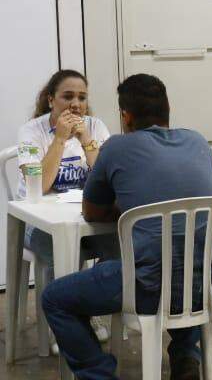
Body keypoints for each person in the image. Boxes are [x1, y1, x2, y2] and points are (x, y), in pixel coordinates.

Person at [41, 74, 212, 380]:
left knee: (54, 298)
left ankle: (98, 374)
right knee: (187, 259)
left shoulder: (117, 148)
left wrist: (130, 206)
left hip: (149, 285)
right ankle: (186, 358)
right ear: (167, 110)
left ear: (126, 116)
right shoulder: (197, 140)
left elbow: (91, 211)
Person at [17, 69, 114, 345]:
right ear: (51, 100)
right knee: (57, 251)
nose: (76, 104)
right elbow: (43, 185)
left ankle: (88, 309)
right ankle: (66, 324)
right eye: (67, 96)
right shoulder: (31, 131)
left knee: (120, 246)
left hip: (84, 220)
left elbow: (106, 179)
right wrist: (60, 139)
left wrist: (86, 141)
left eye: (82, 98)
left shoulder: (95, 127)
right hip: (40, 225)